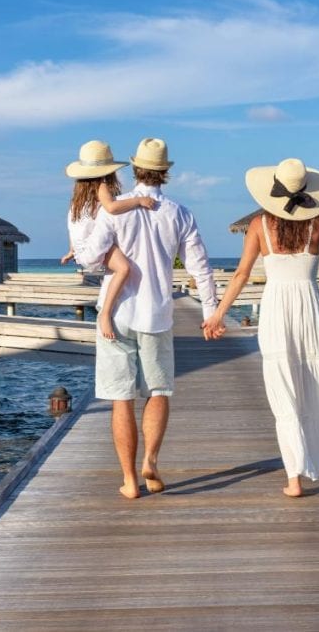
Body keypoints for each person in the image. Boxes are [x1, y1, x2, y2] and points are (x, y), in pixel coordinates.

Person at [202, 158, 319, 497]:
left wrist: (218, 313)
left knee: (283, 387)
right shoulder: (318, 225)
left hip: (277, 309)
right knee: (316, 379)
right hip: (308, 309)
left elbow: (241, 274)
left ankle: (294, 478)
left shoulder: (259, 226)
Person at [75, 138, 218, 499]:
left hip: (117, 311)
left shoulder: (115, 210)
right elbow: (200, 268)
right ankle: (151, 460)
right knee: (159, 390)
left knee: (120, 398)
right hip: (157, 313)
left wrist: (103, 253)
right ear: (165, 172)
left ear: (134, 168)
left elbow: (89, 260)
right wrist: (210, 312)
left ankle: (128, 479)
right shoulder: (180, 213)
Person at [63, 140, 156, 340]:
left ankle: (107, 309)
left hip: (81, 249)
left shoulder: (78, 194)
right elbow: (112, 207)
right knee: (124, 269)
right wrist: (139, 201)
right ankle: (105, 313)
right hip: (92, 247)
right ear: (108, 170)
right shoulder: (101, 185)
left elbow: (75, 224)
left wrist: (71, 250)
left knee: (118, 269)